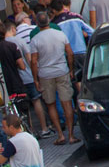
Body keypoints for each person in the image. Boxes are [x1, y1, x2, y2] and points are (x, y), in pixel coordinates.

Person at [30, 11, 79, 145]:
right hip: (62, 71)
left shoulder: (35, 40)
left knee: (50, 104)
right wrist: (71, 69)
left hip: (45, 74)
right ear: (49, 21)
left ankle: (60, 135)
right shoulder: (60, 34)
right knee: (67, 102)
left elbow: (34, 61)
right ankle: (71, 135)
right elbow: (70, 53)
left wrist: (35, 79)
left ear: (37, 23)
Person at [3, 22, 53, 138]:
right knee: (36, 101)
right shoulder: (19, 41)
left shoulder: (2, 44)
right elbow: (30, 59)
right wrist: (35, 76)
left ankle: (27, 131)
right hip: (28, 77)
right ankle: (44, 128)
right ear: (13, 29)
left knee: (22, 107)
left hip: (16, 81)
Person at [50, 0, 93, 86]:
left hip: (68, 56)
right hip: (82, 51)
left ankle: (80, 99)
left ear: (53, 10)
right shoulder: (76, 17)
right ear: (63, 7)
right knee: (90, 78)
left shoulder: (54, 24)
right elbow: (91, 32)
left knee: (77, 81)